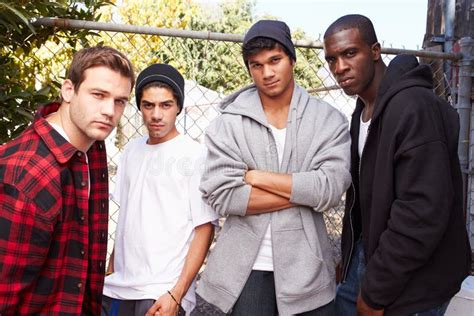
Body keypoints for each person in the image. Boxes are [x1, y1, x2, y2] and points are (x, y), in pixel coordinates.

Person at [196, 19, 351, 315]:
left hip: (307, 272)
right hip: (246, 271)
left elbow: (329, 191)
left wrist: (257, 178)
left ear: (292, 59)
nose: (267, 73)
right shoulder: (228, 123)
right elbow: (222, 195)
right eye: (256, 65)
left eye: (275, 60)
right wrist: (305, 192)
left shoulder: (328, 120)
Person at [323, 14, 471, 316]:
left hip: (415, 279)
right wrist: (351, 260)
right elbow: (365, 201)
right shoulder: (363, 113)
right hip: (376, 258)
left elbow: (421, 211)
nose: (340, 67)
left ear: (375, 51)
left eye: (350, 53)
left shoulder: (413, 106)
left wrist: (376, 292)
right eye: (332, 59)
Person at [0, 46, 135, 314]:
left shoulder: (91, 148)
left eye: (120, 101)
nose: (109, 111)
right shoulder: (26, 176)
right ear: (68, 90)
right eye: (98, 95)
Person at [101, 63, 218, 316]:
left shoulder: (195, 155)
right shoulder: (131, 150)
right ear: (140, 107)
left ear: (178, 107)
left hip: (161, 292)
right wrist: (112, 270)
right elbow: (126, 220)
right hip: (119, 286)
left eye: (165, 105)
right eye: (148, 105)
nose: (156, 114)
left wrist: (177, 293)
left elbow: (205, 229)